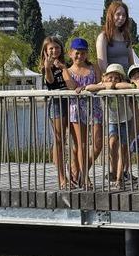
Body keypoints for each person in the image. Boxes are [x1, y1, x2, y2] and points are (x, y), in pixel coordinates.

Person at [85, 64, 134, 187]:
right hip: (112, 121)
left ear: (121, 79)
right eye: (110, 77)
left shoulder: (122, 87)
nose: (112, 80)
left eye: (116, 78)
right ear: (104, 77)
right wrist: (104, 85)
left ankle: (119, 178)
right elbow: (89, 87)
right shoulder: (102, 87)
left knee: (123, 148)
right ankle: (113, 171)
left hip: (125, 119)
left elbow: (131, 85)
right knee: (112, 143)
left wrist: (114, 85)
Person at [40, 36, 76, 189]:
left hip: (70, 102)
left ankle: (74, 172)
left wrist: (63, 68)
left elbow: (71, 85)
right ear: (46, 51)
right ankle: (62, 177)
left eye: (57, 47)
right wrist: (48, 67)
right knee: (59, 140)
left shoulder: (65, 65)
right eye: (51, 48)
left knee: (72, 140)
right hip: (56, 103)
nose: (55, 50)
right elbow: (50, 82)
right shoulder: (45, 66)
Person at [67, 38, 103, 188]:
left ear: (87, 54)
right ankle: (85, 177)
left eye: (83, 53)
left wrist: (90, 87)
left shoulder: (94, 68)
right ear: (70, 53)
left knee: (98, 143)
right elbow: (70, 87)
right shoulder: (68, 71)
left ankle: (79, 172)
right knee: (80, 144)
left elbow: (101, 83)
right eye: (77, 53)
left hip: (94, 107)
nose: (80, 56)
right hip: (76, 108)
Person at [96, 0, 135, 74]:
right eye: (118, 14)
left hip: (127, 80)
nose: (121, 18)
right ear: (111, 15)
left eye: (124, 15)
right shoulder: (103, 37)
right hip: (112, 80)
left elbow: (131, 63)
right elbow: (102, 66)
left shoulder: (126, 36)